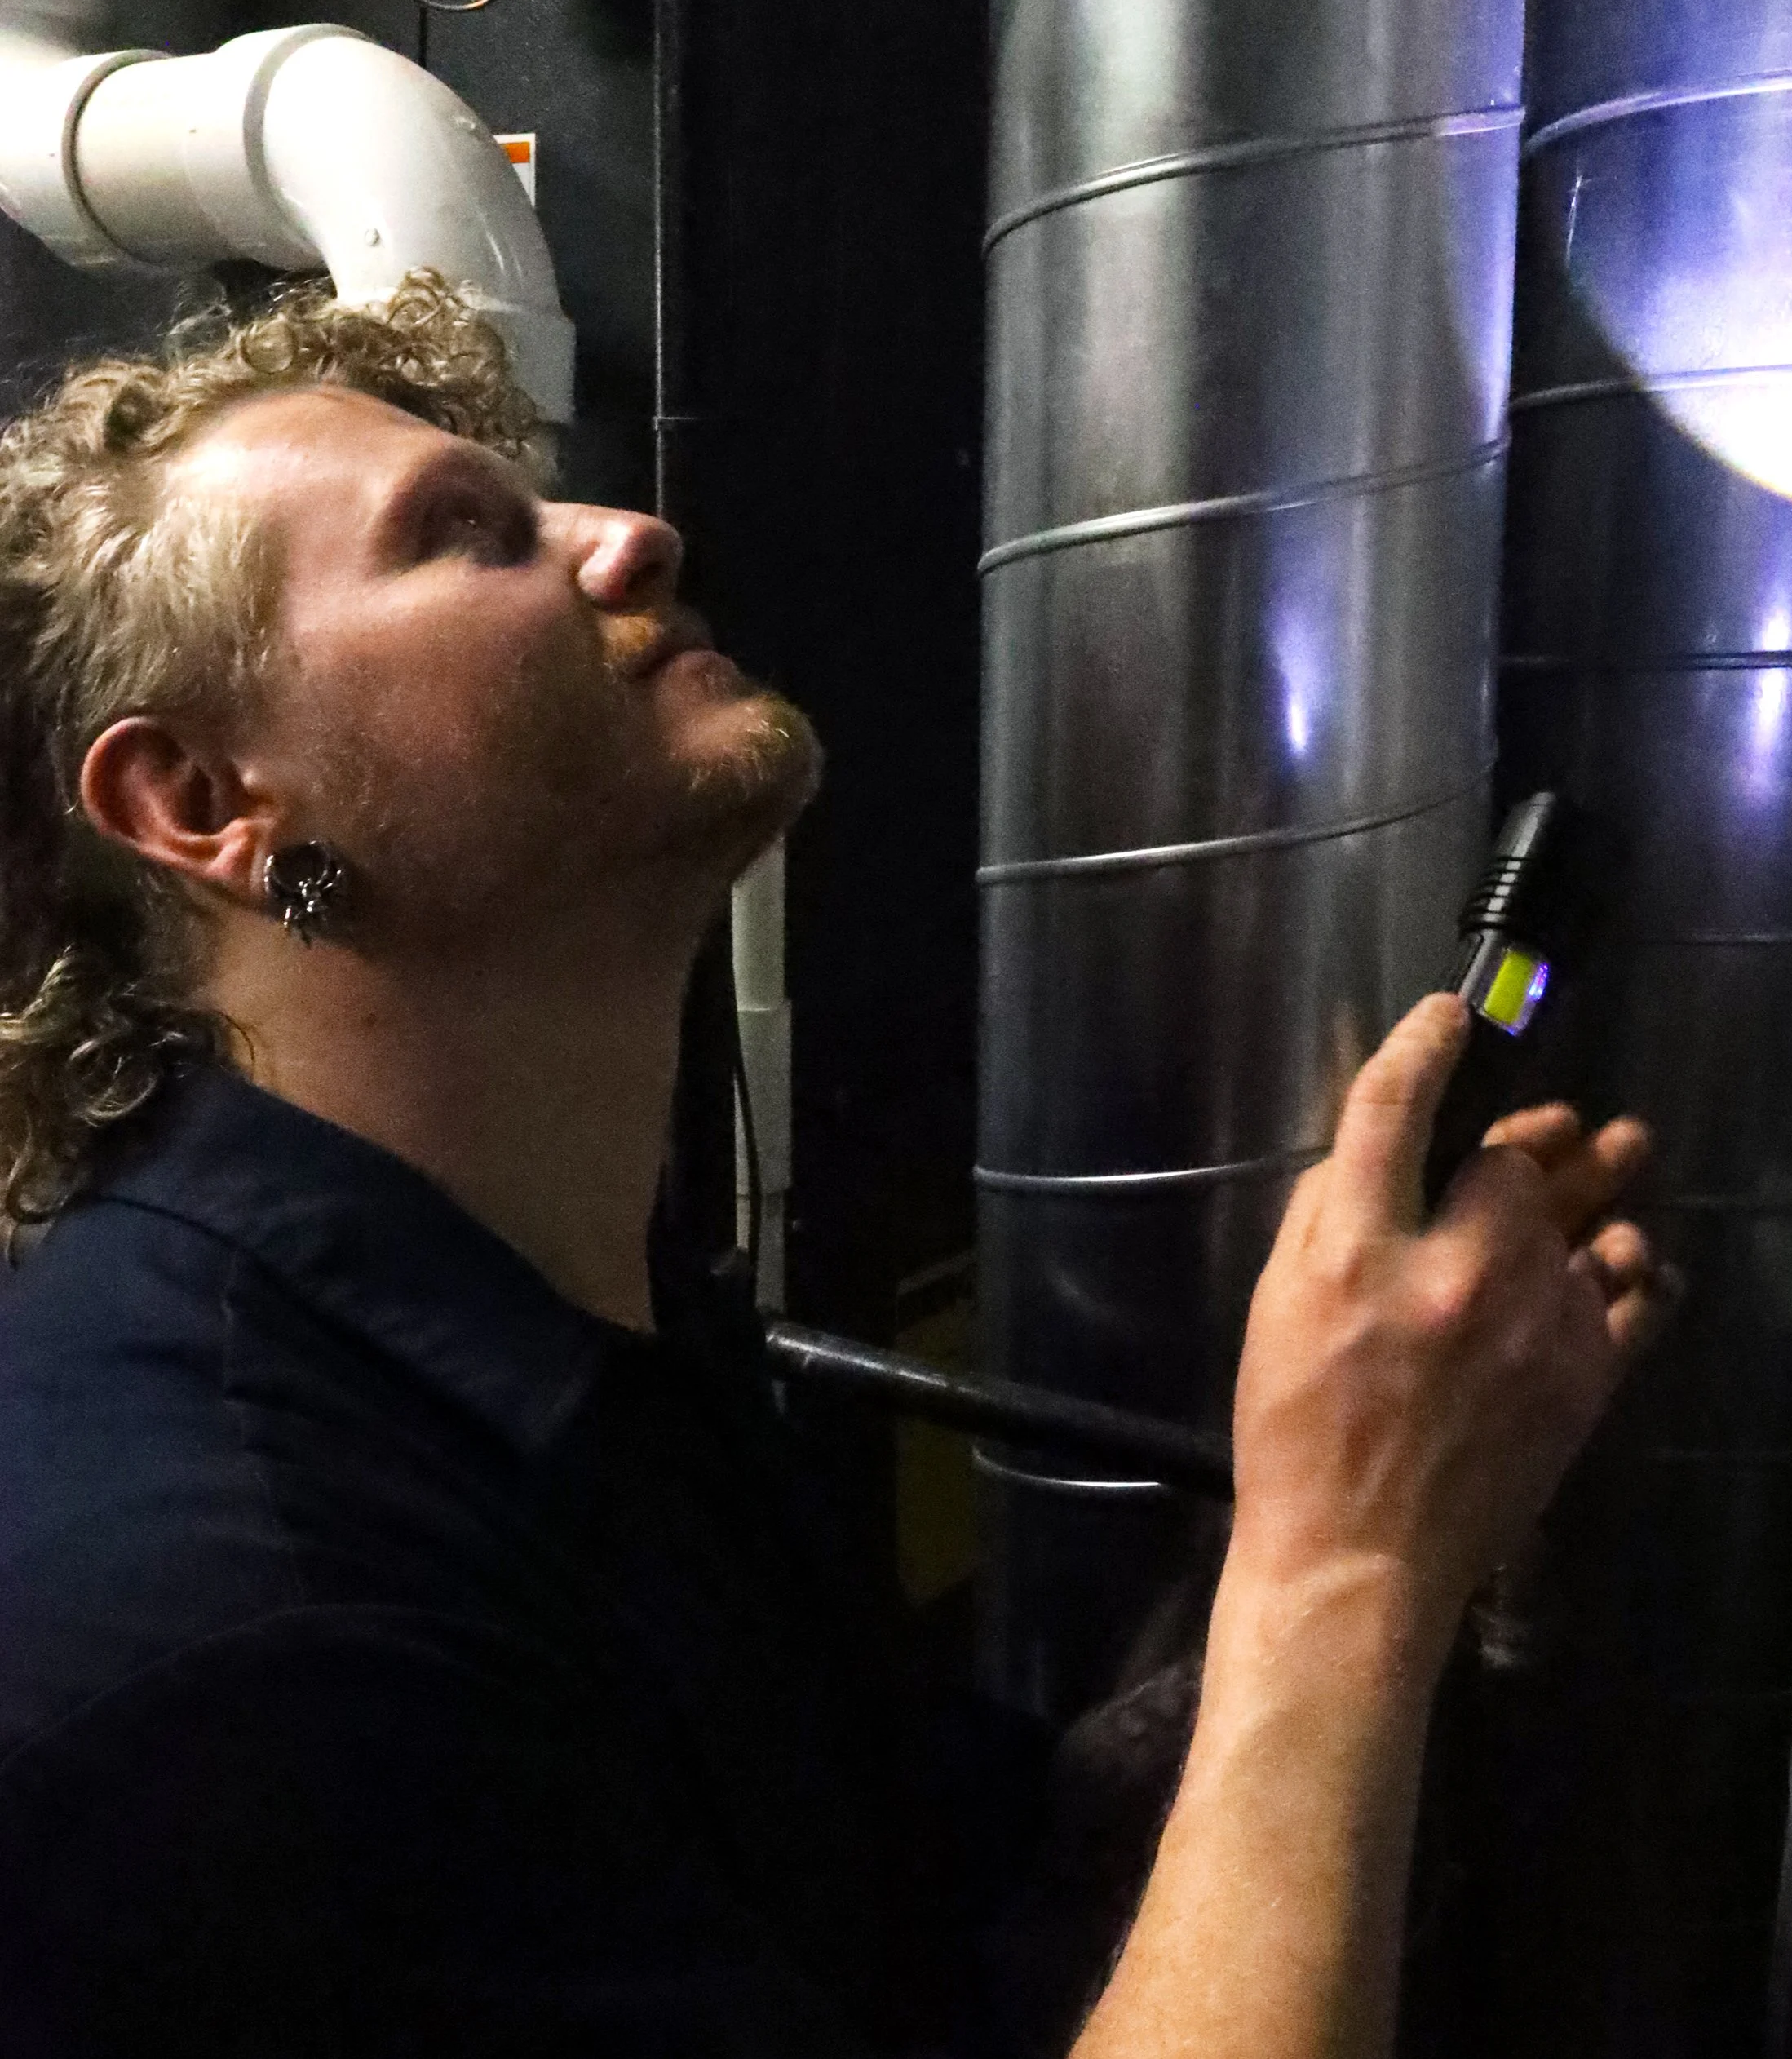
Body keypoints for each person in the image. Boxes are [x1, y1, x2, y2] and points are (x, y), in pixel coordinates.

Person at [0, 275, 1667, 2059]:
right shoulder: (240, 1634)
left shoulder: (604, 1350)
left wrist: (1385, 1462)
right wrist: (1343, 1572)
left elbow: (931, 1904)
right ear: (204, 807)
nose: (631, 539)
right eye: (465, 534)